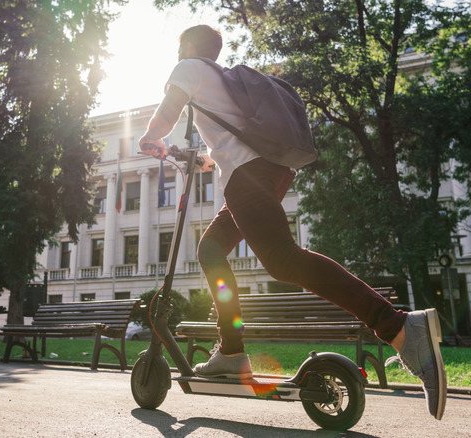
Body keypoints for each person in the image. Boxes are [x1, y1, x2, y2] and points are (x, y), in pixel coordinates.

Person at [138, 24, 447, 420]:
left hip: (248, 178)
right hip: (268, 171)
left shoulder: (188, 68)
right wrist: (205, 160)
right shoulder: (218, 81)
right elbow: (233, 140)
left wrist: (151, 137)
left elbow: (167, 111)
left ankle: (397, 326)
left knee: (282, 260)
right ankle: (231, 352)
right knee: (211, 249)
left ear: (186, 48)